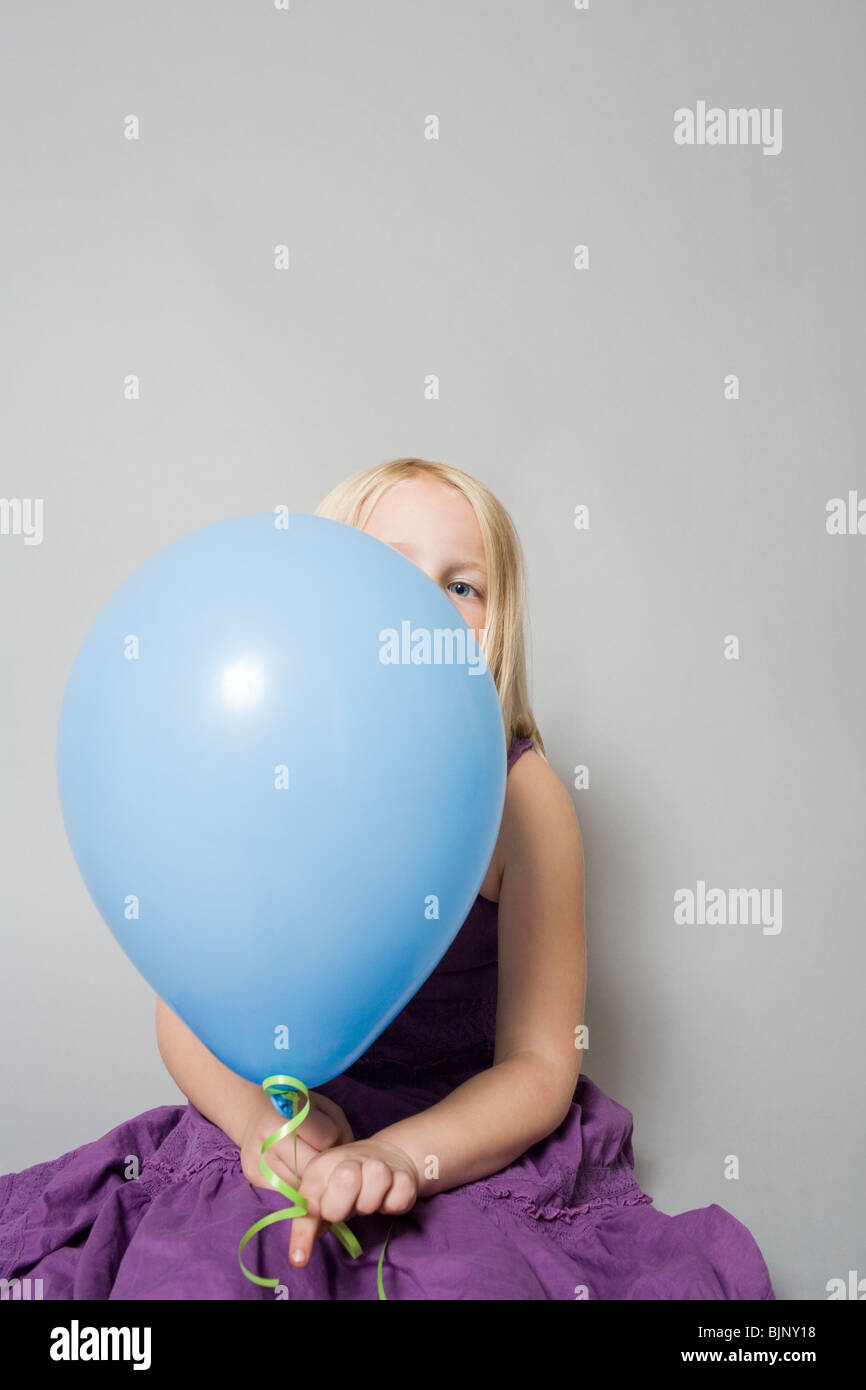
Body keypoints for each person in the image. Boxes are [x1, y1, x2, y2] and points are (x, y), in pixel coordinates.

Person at [0, 457, 775, 1300]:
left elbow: (540, 1065)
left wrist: (406, 1155)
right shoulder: (268, 768)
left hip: (464, 1140)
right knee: (199, 1279)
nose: (422, 609)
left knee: (473, 1284)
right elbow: (186, 1011)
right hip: (292, 1121)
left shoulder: (526, 800)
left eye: (463, 586)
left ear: (498, 625)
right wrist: (264, 1130)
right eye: (389, 571)